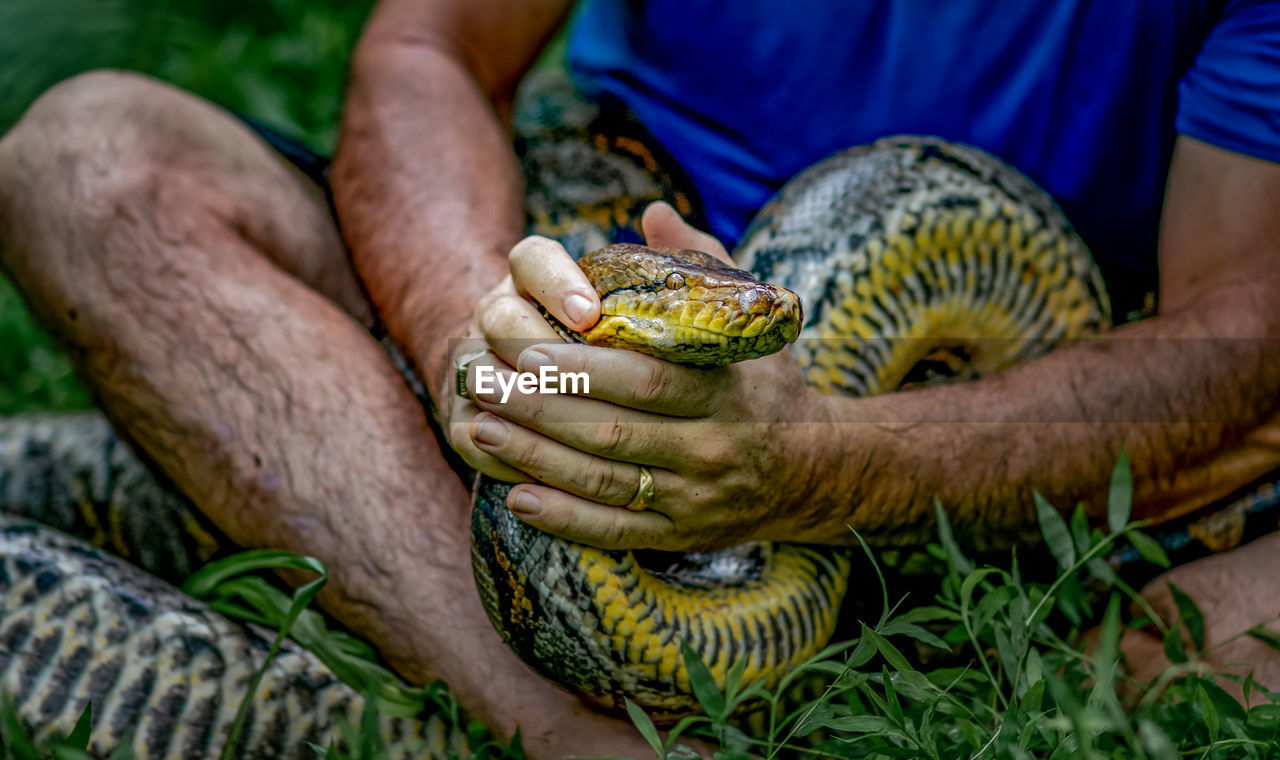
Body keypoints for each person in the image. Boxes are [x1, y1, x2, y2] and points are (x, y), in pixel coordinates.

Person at [0, 0, 1279, 755]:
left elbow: (1239, 351)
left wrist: (817, 470)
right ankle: (573, 737)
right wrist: (480, 350)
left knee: (1249, 626)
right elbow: (430, 46)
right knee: (90, 164)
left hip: (1003, 422)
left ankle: (299, 490)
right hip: (597, 275)